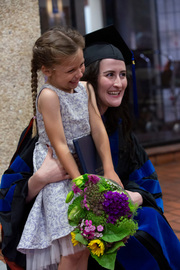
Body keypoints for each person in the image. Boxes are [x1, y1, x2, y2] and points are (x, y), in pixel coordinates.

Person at [0, 25, 180, 270]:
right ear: (91, 77)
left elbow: (147, 185)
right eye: (110, 75)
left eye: (123, 74)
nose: (119, 83)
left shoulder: (120, 131)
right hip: (67, 215)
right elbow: (9, 194)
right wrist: (40, 179)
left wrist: (128, 198)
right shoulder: (45, 126)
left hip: (111, 216)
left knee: (148, 222)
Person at [16, 26, 122, 270]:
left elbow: (98, 129)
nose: (79, 73)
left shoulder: (86, 88)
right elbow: (60, 145)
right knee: (72, 246)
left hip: (85, 166)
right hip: (60, 173)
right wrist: (81, 183)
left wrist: (109, 169)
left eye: (81, 65)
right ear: (47, 71)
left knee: (86, 244)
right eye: (70, 70)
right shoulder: (49, 96)